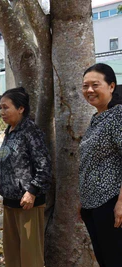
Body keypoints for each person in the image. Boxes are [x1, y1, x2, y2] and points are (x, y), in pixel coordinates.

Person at [0, 87, 51, 267]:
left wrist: (32, 192)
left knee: (30, 257)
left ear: (21, 108)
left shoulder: (30, 131)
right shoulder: (10, 130)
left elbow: (44, 165)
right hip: (9, 201)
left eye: (6, 107)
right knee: (12, 253)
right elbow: (5, 155)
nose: (1, 112)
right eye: (0, 108)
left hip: (27, 203)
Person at [79, 63, 122, 267]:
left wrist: (121, 203)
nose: (89, 90)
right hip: (92, 205)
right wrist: (84, 201)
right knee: (105, 259)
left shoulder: (118, 116)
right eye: (85, 86)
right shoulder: (97, 117)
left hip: (110, 202)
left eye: (95, 85)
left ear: (111, 86)